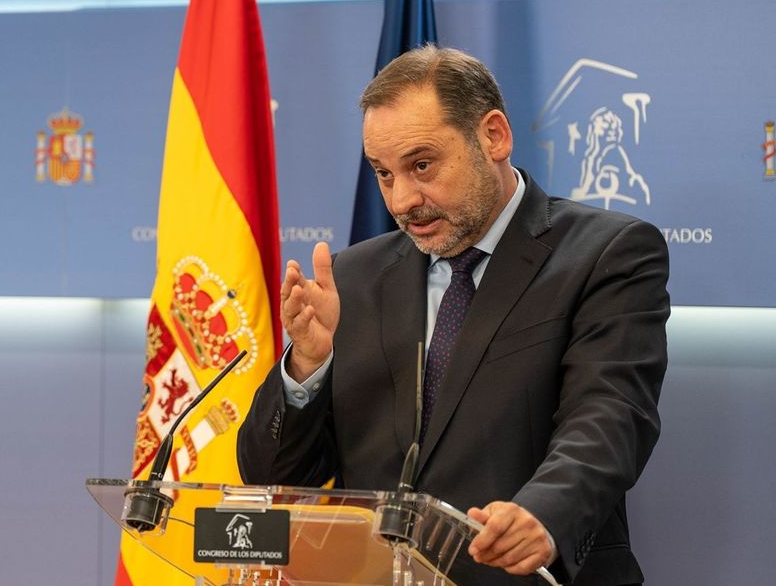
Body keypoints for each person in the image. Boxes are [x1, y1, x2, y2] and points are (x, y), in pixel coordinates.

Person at [237, 45, 669, 585]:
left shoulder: (605, 254)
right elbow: (274, 477)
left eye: (421, 165)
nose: (402, 201)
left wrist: (544, 512)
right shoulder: (354, 277)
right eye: (384, 174)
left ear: (493, 136)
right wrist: (307, 366)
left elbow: (611, 414)